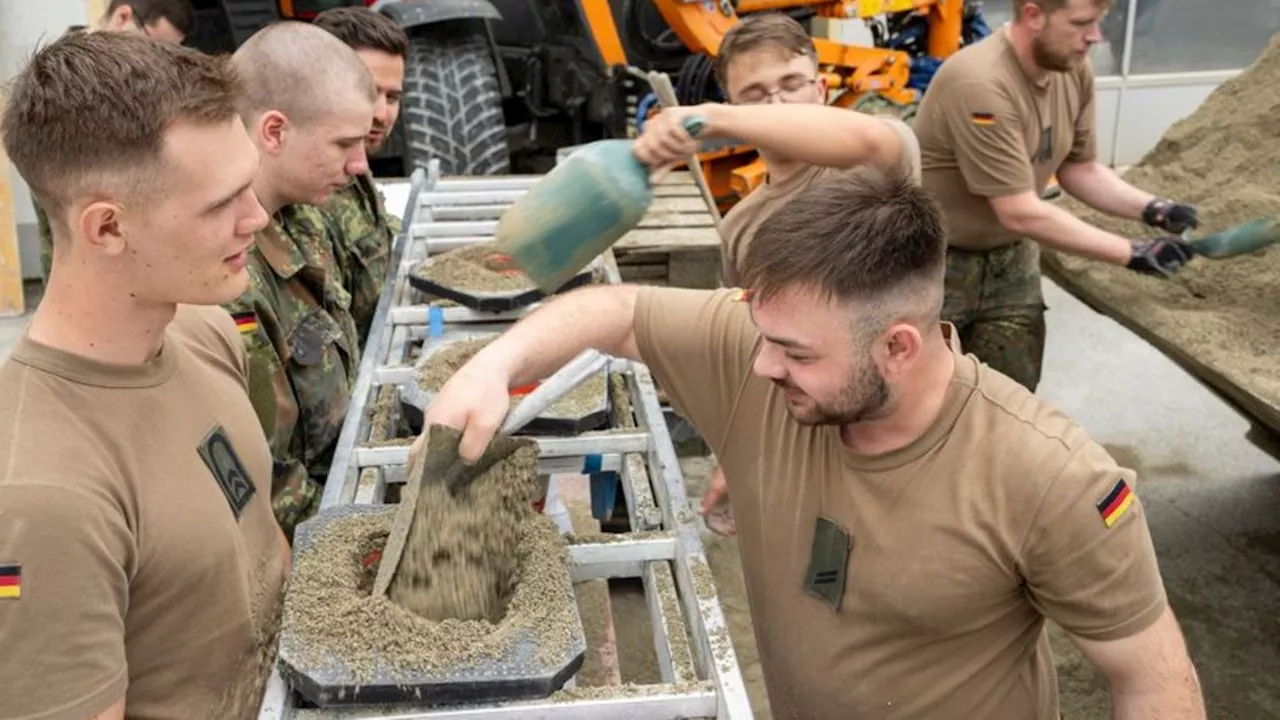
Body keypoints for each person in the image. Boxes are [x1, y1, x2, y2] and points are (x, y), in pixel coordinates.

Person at [415, 165, 1205, 718]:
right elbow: (618, 310)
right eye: (765, 336)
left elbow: (1154, 682)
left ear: (898, 346)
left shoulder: (1049, 478)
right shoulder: (766, 353)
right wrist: (493, 367)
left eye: (796, 353)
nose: (762, 365)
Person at [0, 31, 288, 720]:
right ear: (106, 229)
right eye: (222, 203)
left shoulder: (205, 333)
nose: (258, 217)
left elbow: (264, 550)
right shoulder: (42, 493)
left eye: (250, 184)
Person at [631, 10, 921, 535]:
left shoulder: (873, 170)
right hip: (813, 444)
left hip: (906, 432)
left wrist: (708, 119)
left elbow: (872, 141)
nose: (778, 105)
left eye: (792, 85)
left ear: (822, 90)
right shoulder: (741, 228)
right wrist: (736, 457)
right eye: (756, 94)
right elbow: (755, 355)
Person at [912, 0, 1199, 393]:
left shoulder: (1070, 68)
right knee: (925, 395)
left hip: (1013, 262)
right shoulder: (980, 82)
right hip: (938, 264)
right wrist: (1134, 254)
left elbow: (1081, 170)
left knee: (1010, 396)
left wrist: (1156, 210)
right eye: (1082, 23)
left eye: (1098, 22)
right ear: (1033, 15)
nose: (1095, 37)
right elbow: (1020, 211)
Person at [220, 21, 378, 539]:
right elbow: (265, 481)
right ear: (274, 131)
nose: (359, 165)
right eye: (343, 144)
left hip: (344, 501)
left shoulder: (306, 221)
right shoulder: (227, 273)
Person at [35, 0, 197, 282]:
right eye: (154, 46)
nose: (157, 58)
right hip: (81, 232)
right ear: (123, 16)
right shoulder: (60, 74)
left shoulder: (126, 69)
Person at [313, 6, 408, 345]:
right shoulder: (307, 194)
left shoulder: (354, 172)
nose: (382, 114)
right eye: (369, 92)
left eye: (393, 97)